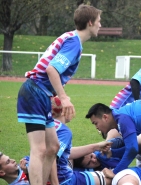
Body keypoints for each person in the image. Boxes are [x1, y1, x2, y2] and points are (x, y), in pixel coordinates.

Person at [16, 4, 102, 185]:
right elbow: (52, 69)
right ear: (90, 22)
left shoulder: (71, 37)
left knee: (53, 147)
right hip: (35, 92)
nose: (100, 25)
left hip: (39, 93)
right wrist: (63, 97)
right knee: (39, 150)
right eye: (99, 21)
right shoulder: (74, 42)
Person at [50, 96, 112, 185]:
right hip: (66, 180)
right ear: (64, 111)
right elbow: (51, 158)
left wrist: (96, 146)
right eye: (70, 106)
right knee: (111, 179)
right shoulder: (64, 131)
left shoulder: (48, 126)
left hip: (51, 176)